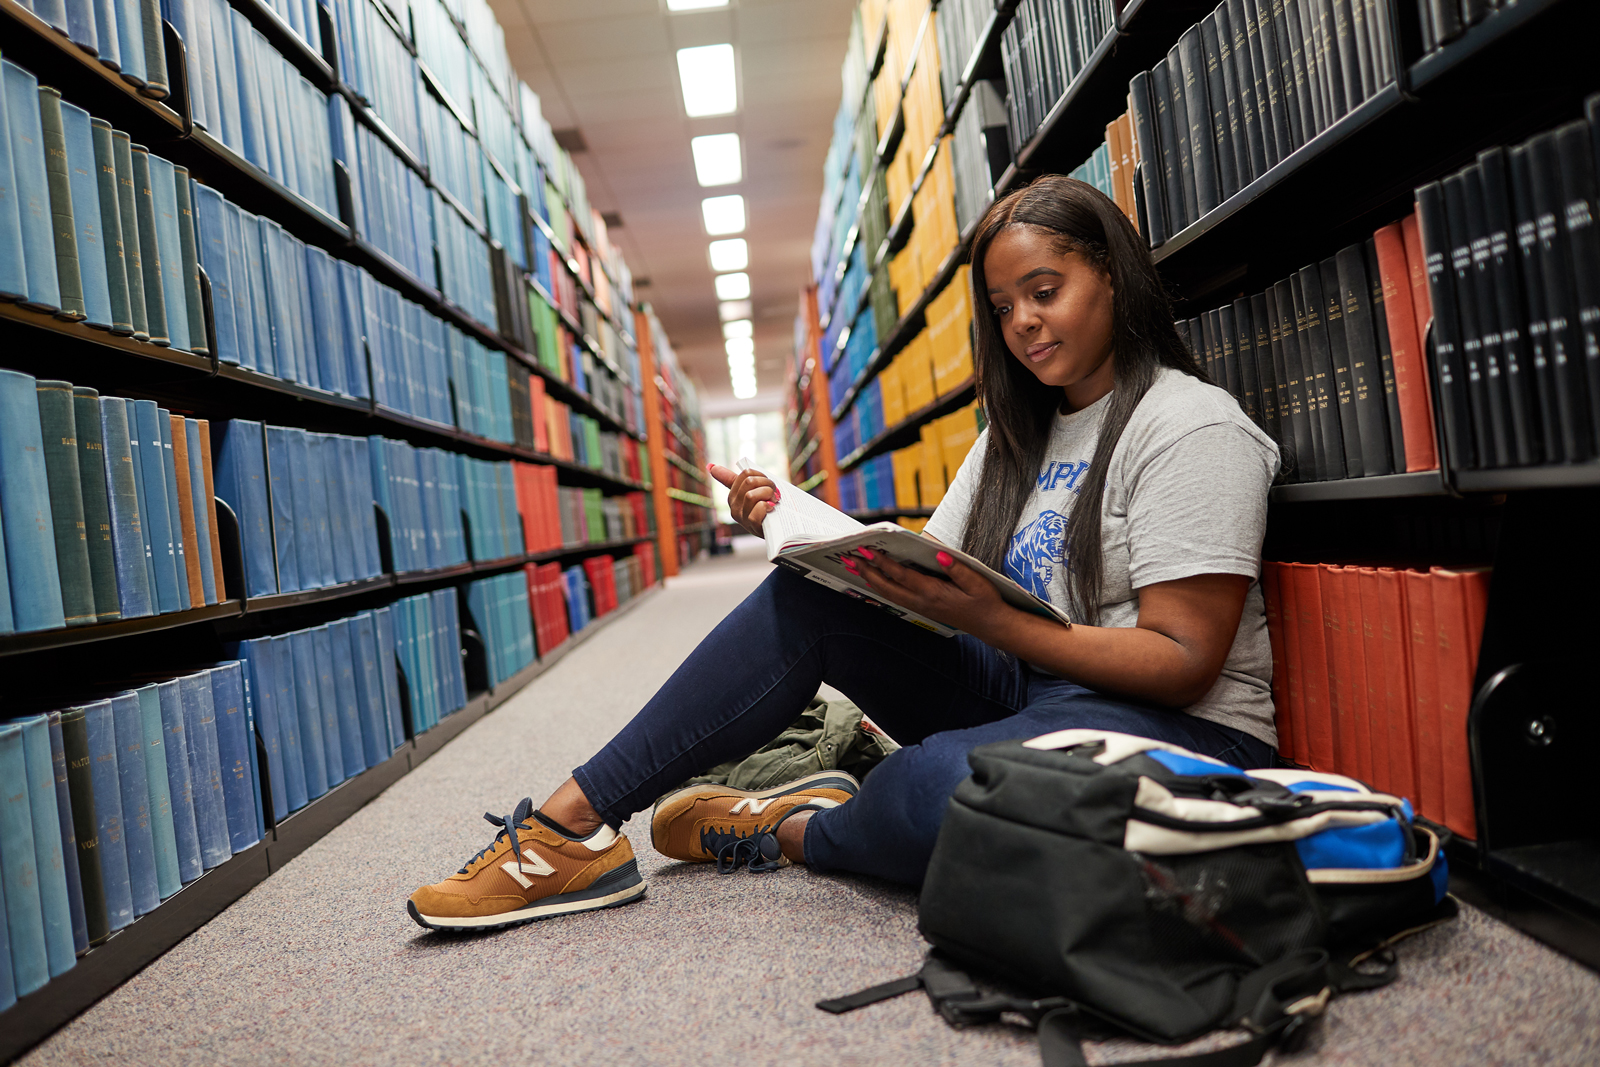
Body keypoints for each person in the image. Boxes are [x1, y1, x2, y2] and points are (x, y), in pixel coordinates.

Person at [406, 175, 1280, 932]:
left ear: (1115, 277)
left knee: (943, 782)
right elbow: (930, 578)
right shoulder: (1015, 438)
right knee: (806, 605)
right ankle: (573, 829)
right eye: (1004, 307)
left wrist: (985, 620)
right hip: (1040, 692)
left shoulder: (1190, 426)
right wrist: (804, 531)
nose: (1023, 323)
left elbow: (1182, 660)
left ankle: (794, 827)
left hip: (1182, 733)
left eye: (1045, 291)